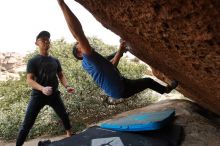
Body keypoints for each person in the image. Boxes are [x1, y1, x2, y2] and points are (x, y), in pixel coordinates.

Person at [57, 0, 178, 103]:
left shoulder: (90, 62)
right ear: (79, 53)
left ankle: (165, 89)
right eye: (79, 45)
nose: (84, 43)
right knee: (148, 81)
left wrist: (120, 51)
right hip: (121, 89)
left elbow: (109, 64)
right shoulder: (88, 57)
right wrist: (61, 3)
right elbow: (78, 34)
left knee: (145, 80)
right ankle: (166, 90)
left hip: (118, 86)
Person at [16, 31, 75, 146]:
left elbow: (61, 75)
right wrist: (42, 89)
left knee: (64, 115)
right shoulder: (33, 61)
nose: (46, 41)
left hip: (54, 95)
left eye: (48, 39)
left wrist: (67, 86)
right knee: (27, 124)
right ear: (36, 43)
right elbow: (29, 80)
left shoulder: (55, 60)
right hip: (38, 96)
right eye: (43, 39)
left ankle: (70, 136)